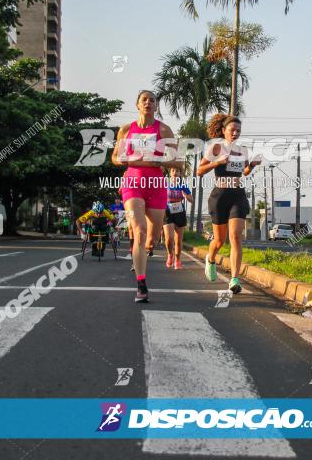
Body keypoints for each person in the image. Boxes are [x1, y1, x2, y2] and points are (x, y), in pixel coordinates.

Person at [112, 90, 183, 303]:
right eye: (144, 100)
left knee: (151, 238)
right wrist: (124, 162)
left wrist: (160, 162)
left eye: (152, 100)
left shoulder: (163, 129)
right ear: (137, 105)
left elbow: (179, 162)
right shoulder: (126, 130)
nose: (148, 103)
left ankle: (147, 249)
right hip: (133, 184)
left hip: (156, 185)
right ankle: (141, 284)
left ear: (156, 105)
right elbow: (115, 158)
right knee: (140, 231)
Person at [197, 114, 261, 294]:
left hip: (238, 196)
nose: (235, 133)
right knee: (219, 240)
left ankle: (234, 279)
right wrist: (217, 162)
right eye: (232, 130)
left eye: (238, 130)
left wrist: (253, 165)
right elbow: (199, 171)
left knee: (235, 237)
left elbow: (245, 172)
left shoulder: (243, 151)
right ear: (224, 131)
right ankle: (211, 259)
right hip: (219, 196)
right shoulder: (215, 148)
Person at [163, 166, 193, 269]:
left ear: (180, 174)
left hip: (179, 211)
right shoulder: (165, 184)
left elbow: (191, 200)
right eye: (173, 171)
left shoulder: (182, 185)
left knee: (178, 239)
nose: (175, 173)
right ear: (170, 173)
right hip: (168, 211)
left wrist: (186, 196)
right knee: (169, 239)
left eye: (177, 171)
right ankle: (170, 255)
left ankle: (177, 259)